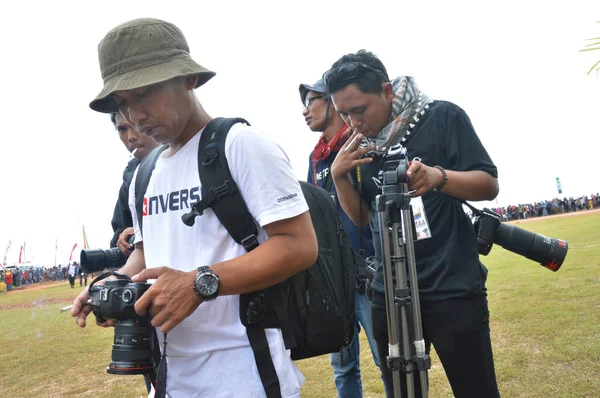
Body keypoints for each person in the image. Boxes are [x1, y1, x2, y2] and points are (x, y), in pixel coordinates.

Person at [72, 18, 317, 398]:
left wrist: (201, 283)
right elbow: (146, 251)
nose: (134, 116)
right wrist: (115, 281)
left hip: (245, 374)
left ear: (188, 79)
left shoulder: (241, 145)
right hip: (169, 376)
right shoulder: (144, 173)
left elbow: (299, 245)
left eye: (144, 93)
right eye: (122, 103)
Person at [326, 50, 501, 398]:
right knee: (403, 392)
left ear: (387, 91)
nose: (353, 122)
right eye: (344, 113)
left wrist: (439, 176)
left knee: (476, 390)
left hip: (450, 285)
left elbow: (489, 184)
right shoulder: (357, 147)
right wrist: (339, 176)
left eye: (359, 110)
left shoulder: (440, 117)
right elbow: (362, 218)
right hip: (388, 292)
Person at [299, 79, 382, 397]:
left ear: (332, 101)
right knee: (343, 368)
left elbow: (370, 211)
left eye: (311, 101)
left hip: (368, 276)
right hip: (334, 281)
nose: (305, 111)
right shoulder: (316, 158)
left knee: (386, 360)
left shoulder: (363, 143)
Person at [109, 111, 160, 255]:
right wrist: (126, 237)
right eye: (122, 129)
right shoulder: (131, 178)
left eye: (136, 125)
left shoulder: (195, 161)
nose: (131, 137)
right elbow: (118, 233)